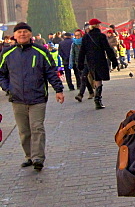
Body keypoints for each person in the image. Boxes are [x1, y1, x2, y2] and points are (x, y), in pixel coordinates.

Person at [0, 21, 65, 170]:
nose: (22, 34)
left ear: (30, 34)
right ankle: (29, 156)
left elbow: (51, 71)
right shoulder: (7, 53)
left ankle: (38, 158)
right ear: (14, 36)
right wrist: (8, 88)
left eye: (25, 31)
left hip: (37, 97)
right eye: (19, 32)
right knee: (24, 131)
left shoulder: (40, 51)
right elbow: (1, 74)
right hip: (17, 99)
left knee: (37, 128)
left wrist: (59, 90)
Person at [78, 18, 118, 109]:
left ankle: (97, 99)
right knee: (98, 79)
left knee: (96, 78)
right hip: (100, 60)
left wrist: (80, 64)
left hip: (90, 61)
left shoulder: (86, 37)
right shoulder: (101, 36)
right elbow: (108, 49)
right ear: (97, 25)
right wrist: (114, 61)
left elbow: (82, 51)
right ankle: (97, 100)